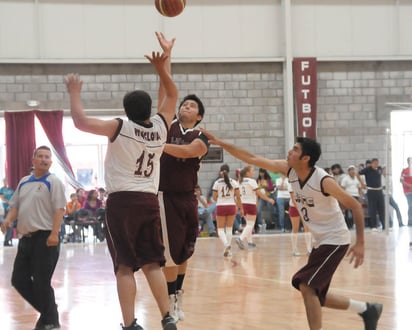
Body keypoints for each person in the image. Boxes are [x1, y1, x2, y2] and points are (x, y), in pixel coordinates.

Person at [200, 129, 383, 330]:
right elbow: (252, 157)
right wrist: (221, 143)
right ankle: (367, 309)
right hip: (319, 240)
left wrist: (361, 244)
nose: (289, 151)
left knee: (307, 286)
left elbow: (355, 206)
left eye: (295, 149)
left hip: (335, 240)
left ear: (305, 158)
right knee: (315, 294)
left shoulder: (324, 180)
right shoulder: (289, 170)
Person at [64, 34, 178, 330]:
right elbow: (171, 95)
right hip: (149, 200)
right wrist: (164, 64)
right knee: (153, 262)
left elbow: (79, 122)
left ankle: (130, 324)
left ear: (126, 110)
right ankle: (168, 316)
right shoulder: (161, 127)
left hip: (123, 203)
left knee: (125, 266)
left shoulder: (119, 126)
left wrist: (74, 92)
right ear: (149, 108)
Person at [153, 32, 209, 323]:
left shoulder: (199, 136)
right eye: (183, 104)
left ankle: (178, 296)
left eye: (191, 106)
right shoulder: (167, 124)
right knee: (171, 254)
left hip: (188, 198)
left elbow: (191, 152)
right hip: (166, 197)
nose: (185, 107)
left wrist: (159, 145)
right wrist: (167, 58)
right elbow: (166, 90)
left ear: (198, 116)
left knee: (186, 250)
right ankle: (170, 305)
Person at [0, 146, 66, 330]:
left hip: (46, 238)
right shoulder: (24, 182)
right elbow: (15, 206)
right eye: (41, 156)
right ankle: (49, 313)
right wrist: (7, 221)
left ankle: (50, 321)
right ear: (33, 160)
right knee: (18, 279)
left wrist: (54, 233)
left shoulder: (54, 182)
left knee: (41, 282)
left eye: (47, 157)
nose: (44, 159)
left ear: (51, 162)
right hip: (25, 239)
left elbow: (60, 209)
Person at [236, 165, 275, 249]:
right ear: (247, 173)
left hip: (243, 204)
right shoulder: (252, 181)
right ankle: (240, 239)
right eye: (252, 171)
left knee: (248, 224)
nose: (254, 172)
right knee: (250, 224)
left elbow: (237, 196)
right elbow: (259, 193)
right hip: (250, 204)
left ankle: (250, 242)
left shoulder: (239, 181)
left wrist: (238, 206)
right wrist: (269, 199)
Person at [212, 164, 243, 257]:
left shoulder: (217, 183)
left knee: (220, 229)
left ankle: (226, 244)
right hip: (231, 206)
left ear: (220, 171)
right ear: (229, 172)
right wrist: (241, 208)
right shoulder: (234, 182)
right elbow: (238, 197)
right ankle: (228, 250)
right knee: (229, 229)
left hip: (221, 206)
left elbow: (214, 198)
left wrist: (221, 200)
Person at [357, 158, 385, 231]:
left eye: (377, 163)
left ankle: (384, 225)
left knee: (382, 208)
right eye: (375, 163)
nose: (376, 165)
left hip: (379, 190)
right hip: (371, 191)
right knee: (373, 209)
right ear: (372, 163)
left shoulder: (379, 169)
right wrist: (362, 184)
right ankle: (373, 226)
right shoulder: (367, 169)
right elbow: (357, 174)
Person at [289, 188, 312, 256]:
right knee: (295, 228)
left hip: (305, 207)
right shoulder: (291, 184)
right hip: (294, 207)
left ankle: (309, 249)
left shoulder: (305, 183)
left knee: (307, 227)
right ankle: (294, 249)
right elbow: (293, 199)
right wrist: (299, 208)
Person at [0, 178, 15, 246]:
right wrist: (8, 202)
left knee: (11, 225)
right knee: (7, 224)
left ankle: (9, 239)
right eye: (4, 181)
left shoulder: (10, 190)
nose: (5, 182)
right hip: (5, 209)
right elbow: (2, 198)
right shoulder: (2, 190)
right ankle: (6, 240)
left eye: (6, 181)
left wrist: (12, 203)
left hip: (11, 209)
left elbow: (14, 197)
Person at [400, 157, 412, 226]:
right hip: (408, 191)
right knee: (410, 205)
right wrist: (409, 186)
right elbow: (401, 180)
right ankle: (410, 222)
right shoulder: (404, 170)